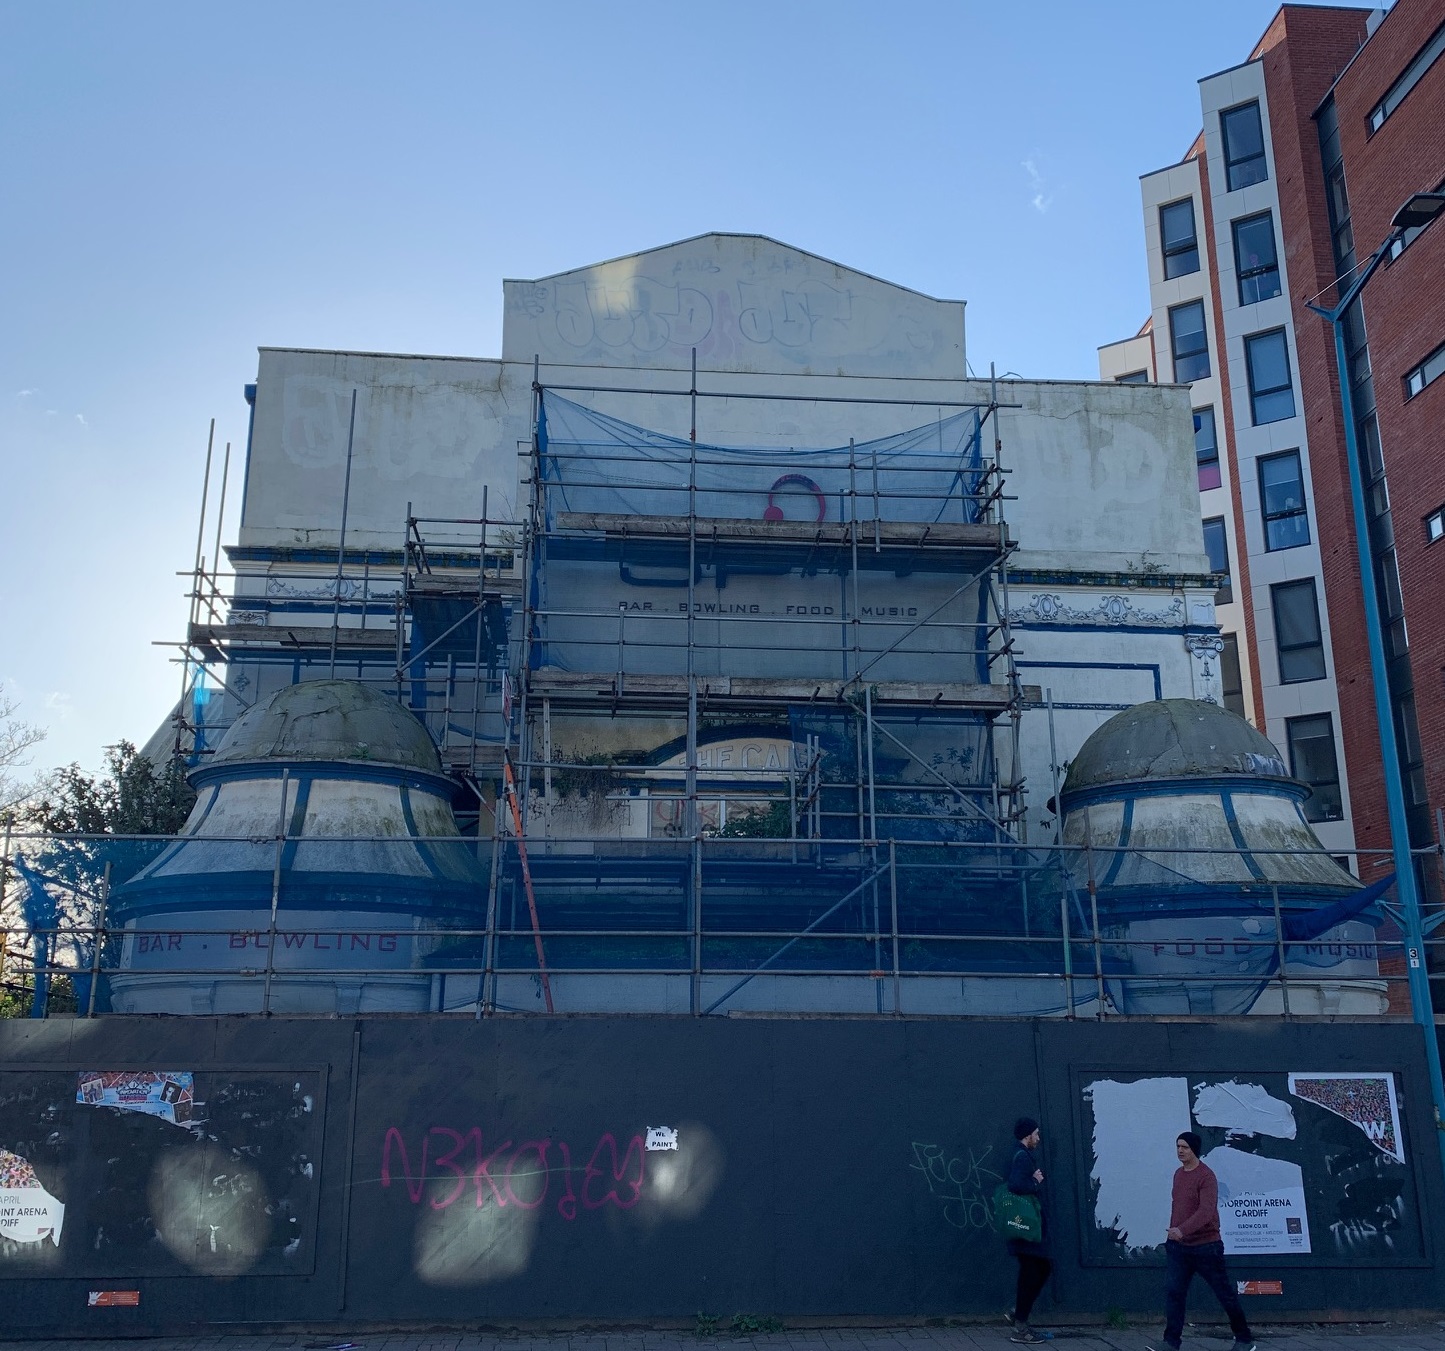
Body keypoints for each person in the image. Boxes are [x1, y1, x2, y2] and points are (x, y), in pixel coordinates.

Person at [1148, 1132, 1256, 1351]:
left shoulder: (1206, 1176)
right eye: (1178, 1146)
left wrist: (1182, 1230)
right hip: (1179, 1249)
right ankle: (1171, 1343)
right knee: (1174, 1294)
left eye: (1185, 1147)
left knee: (1224, 1294)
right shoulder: (1178, 1174)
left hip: (1207, 1247)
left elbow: (1206, 1212)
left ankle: (1244, 1339)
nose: (1180, 1151)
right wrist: (1174, 1235)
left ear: (1194, 1149)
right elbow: (1178, 1208)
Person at [1005, 1116, 1051, 1344]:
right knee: (1036, 1269)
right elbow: (1015, 1185)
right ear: (1027, 1135)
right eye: (1036, 1134)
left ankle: (1018, 1313)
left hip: (1022, 1227)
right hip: (1027, 1228)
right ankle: (1020, 1326)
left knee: (1035, 1269)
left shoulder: (1018, 1154)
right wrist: (1035, 1182)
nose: (1038, 1138)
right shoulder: (1023, 1157)